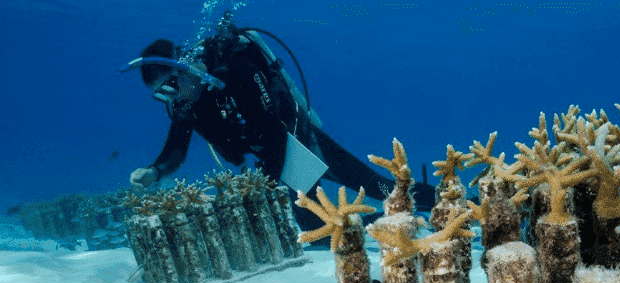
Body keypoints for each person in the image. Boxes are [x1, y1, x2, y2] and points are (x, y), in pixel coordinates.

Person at [124, 12, 435, 229]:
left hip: (297, 139)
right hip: (273, 157)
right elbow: (176, 149)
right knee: (312, 222)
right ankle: (369, 222)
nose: (171, 99)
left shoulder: (234, 68)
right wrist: (154, 171)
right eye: (160, 96)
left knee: (376, 187)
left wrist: (262, 187)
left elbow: (273, 129)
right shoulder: (188, 104)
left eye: (169, 88)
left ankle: (448, 202)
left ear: (182, 67)